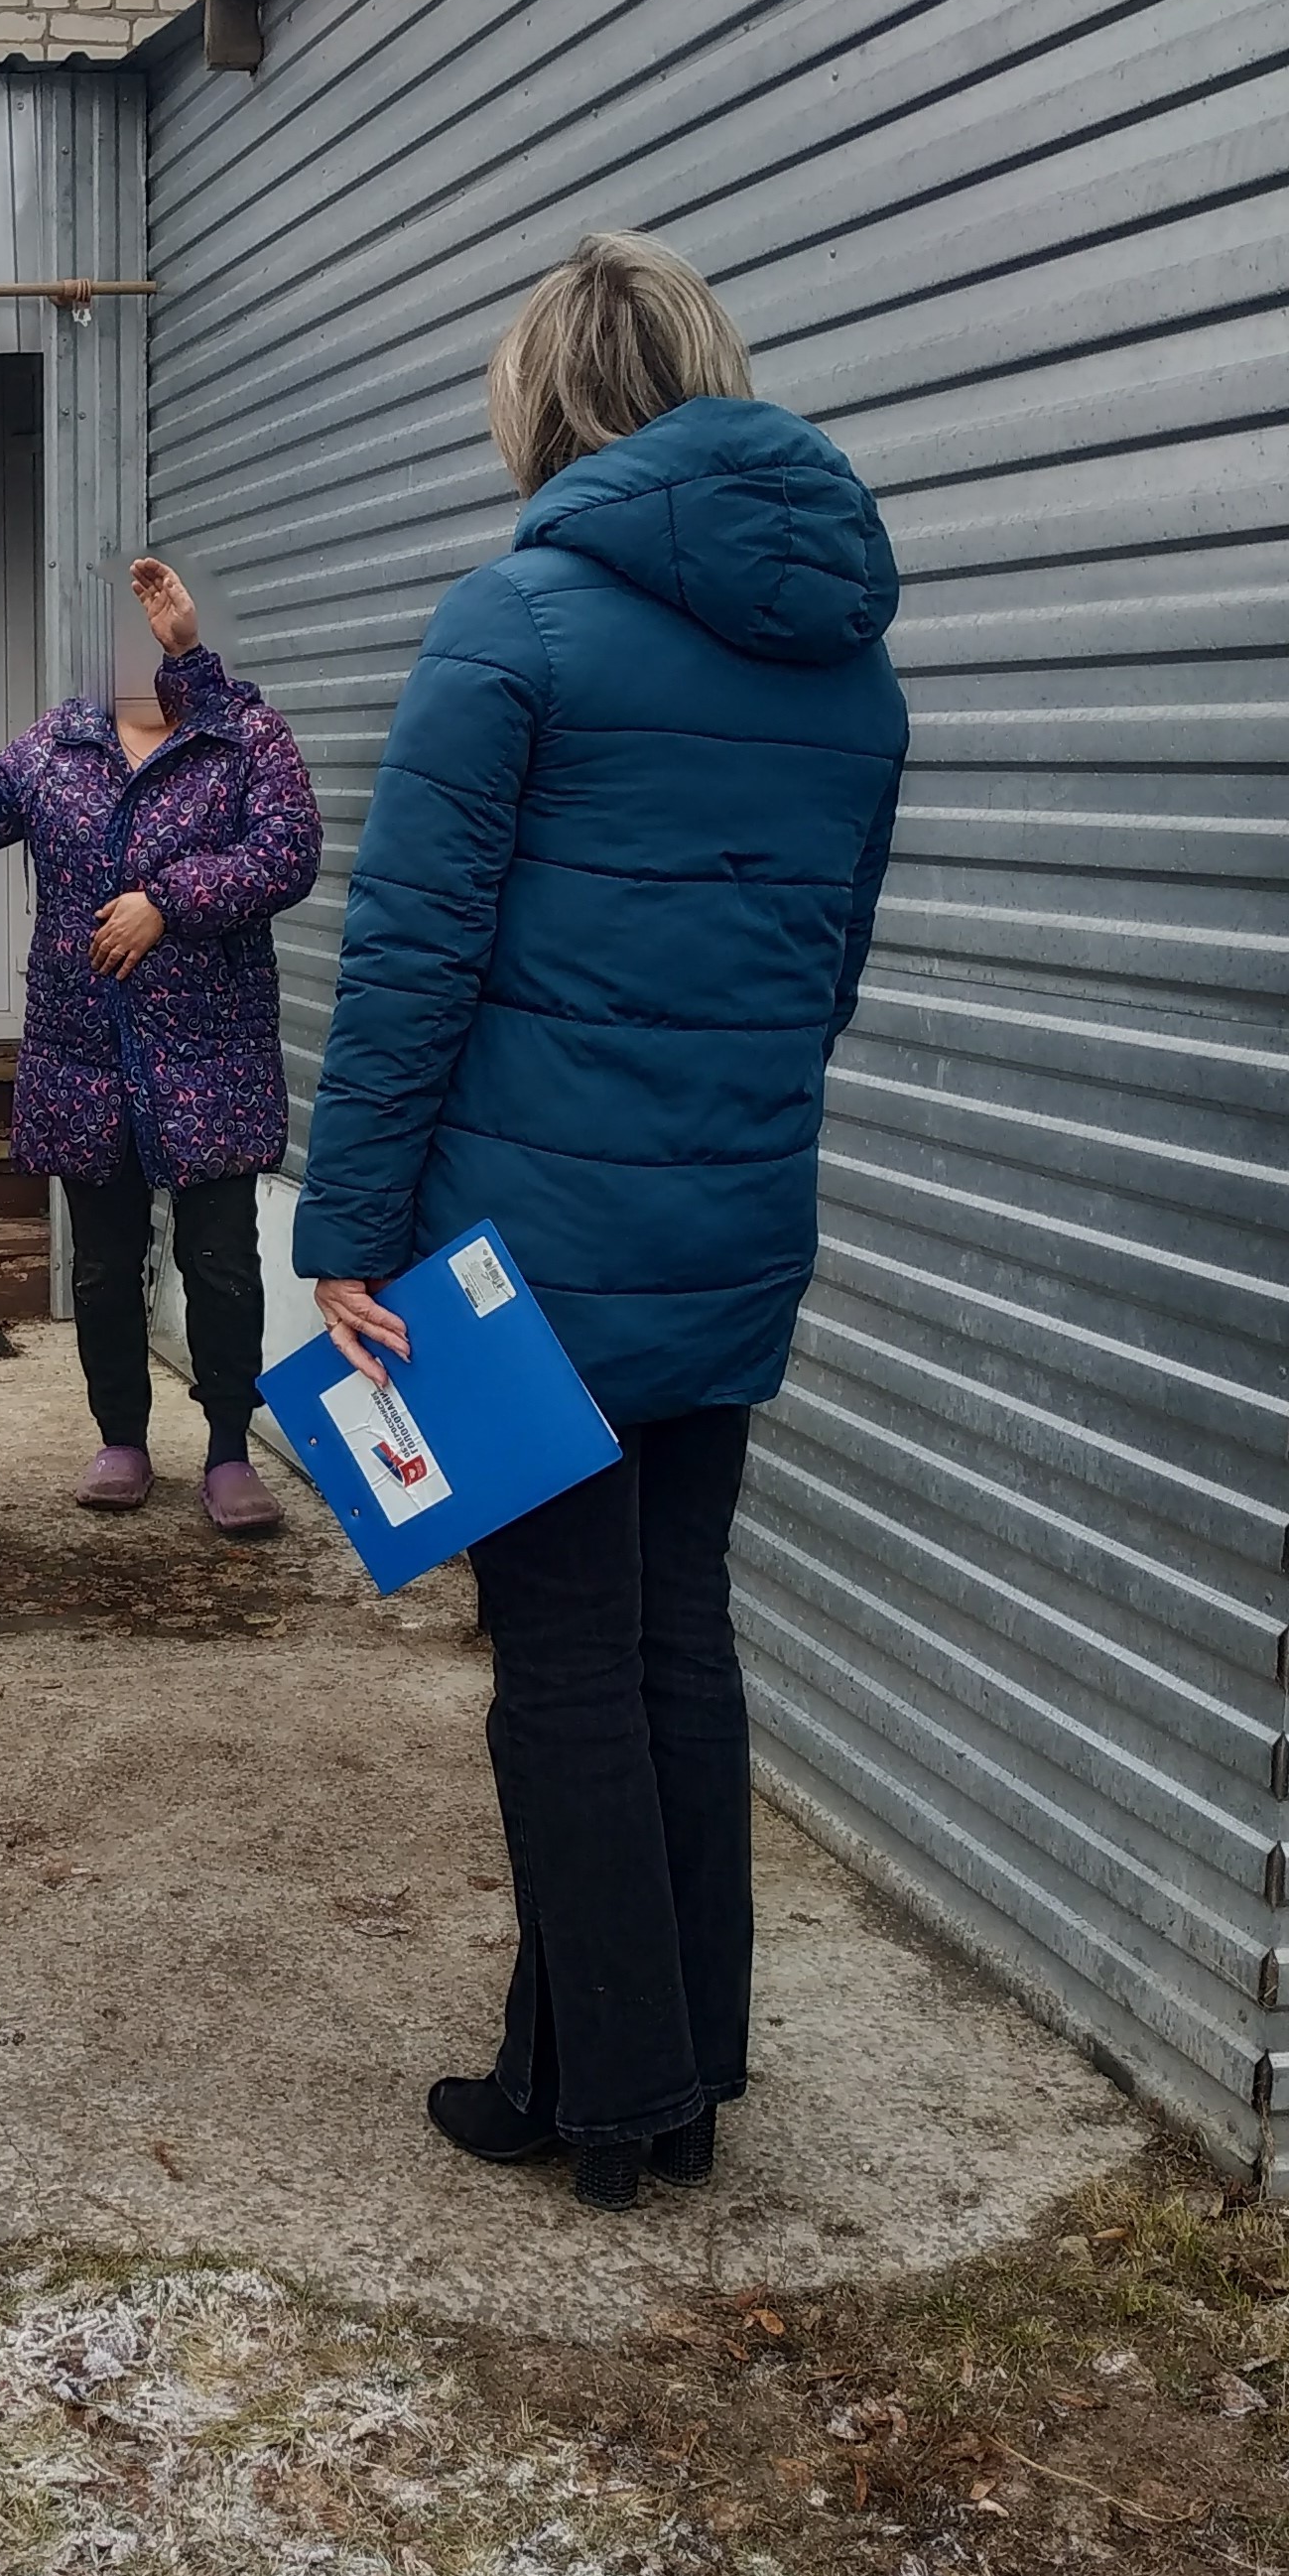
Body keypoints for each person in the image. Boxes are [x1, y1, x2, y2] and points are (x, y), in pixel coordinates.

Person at [296, 234, 908, 2214]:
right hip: (733, 1222)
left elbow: (408, 970)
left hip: (522, 1248)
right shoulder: (847, 656)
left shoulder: (515, 624)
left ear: (542, 401)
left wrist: (347, 1234)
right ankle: (646, 2054)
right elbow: (824, 973)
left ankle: (616, 2097)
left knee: (558, 1658)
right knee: (674, 1638)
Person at [0, 553, 322, 1531]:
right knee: (106, 1267)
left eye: (161, 622)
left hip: (212, 1054)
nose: (140, 642)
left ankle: (232, 1449)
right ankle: (122, 1436)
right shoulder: (54, 748)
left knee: (222, 1264)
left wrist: (167, 902)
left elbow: (288, 856)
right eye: (128, 626)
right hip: (86, 1057)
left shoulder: (243, 739)